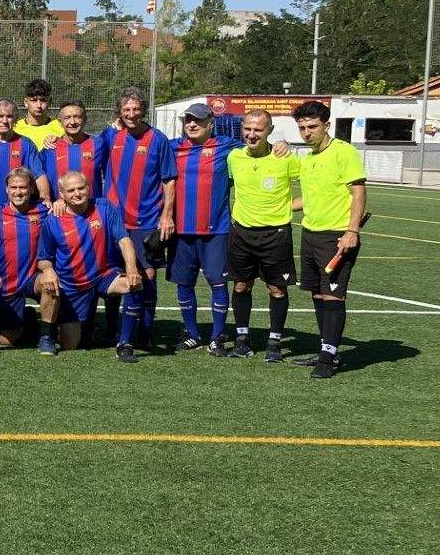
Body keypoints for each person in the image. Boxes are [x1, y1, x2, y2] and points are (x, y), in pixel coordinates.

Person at [288, 99, 367, 379]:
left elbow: (358, 192)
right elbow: (306, 199)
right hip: (310, 234)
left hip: (336, 236)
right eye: (302, 127)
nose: (307, 132)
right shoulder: (307, 158)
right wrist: (276, 209)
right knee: (318, 294)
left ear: (326, 125)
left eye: (312, 126)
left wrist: (351, 231)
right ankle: (326, 349)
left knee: (334, 295)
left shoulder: (343, 152)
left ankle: (329, 358)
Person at [95, 86, 176, 344]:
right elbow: (85, 152)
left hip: (148, 219)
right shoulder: (111, 137)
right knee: (115, 272)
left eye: (136, 109)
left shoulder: (158, 139)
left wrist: (167, 214)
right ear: (119, 113)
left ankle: (146, 330)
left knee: (148, 275)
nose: (131, 114)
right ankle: (111, 328)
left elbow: (169, 180)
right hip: (115, 220)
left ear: (144, 110)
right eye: (126, 110)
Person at [35, 170, 144, 360]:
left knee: (134, 284)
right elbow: (43, 258)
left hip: (103, 276)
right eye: (71, 190)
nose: (77, 194)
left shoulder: (105, 208)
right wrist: (48, 270)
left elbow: (124, 240)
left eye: (81, 188)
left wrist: (132, 269)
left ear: (88, 188)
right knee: (71, 345)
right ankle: (39, 323)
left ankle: (125, 344)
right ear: (62, 195)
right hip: (73, 285)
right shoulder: (52, 222)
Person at [225, 108, 302, 364]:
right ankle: (242, 340)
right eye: (247, 128)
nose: (251, 134)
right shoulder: (234, 157)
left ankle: (275, 341)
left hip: (275, 235)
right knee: (240, 285)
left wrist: (286, 207)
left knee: (276, 289)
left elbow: (314, 187)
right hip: (241, 233)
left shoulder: (286, 158)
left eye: (258, 130)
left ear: (269, 131)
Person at [168, 102, 245, 353]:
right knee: (184, 283)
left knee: (218, 283)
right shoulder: (172, 147)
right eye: (188, 120)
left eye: (198, 121)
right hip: (180, 230)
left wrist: (278, 145)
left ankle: (217, 335)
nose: (192, 124)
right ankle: (191, 332)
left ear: (210, 124)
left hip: (216, 230)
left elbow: (256, 149)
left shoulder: (227, 146)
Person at [0, 168, 47, 353]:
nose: (18, 192)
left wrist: (60, 202)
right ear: (6, 189)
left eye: (23, 187)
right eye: (13, 187)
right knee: (6, 340)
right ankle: (27, 319)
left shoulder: (45, 211)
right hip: (9, 282)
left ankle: (48, 334)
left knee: (49, 284)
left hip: (34, 277)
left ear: (31, 189)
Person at [38, 101, 96, 202]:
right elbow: (37, 177)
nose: (72, 122)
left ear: (85, 119)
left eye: (77, 117)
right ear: (60, 122)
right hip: (57, 213)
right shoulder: (50, 148)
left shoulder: (98, 144)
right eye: (67, 117)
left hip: (91, 214)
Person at [16, 78, 62, 149]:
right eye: (34, 100)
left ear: (50, 102)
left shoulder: (61, 127)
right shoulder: (15, 128)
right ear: (26, 102)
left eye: (43, 100)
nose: (39, 105)